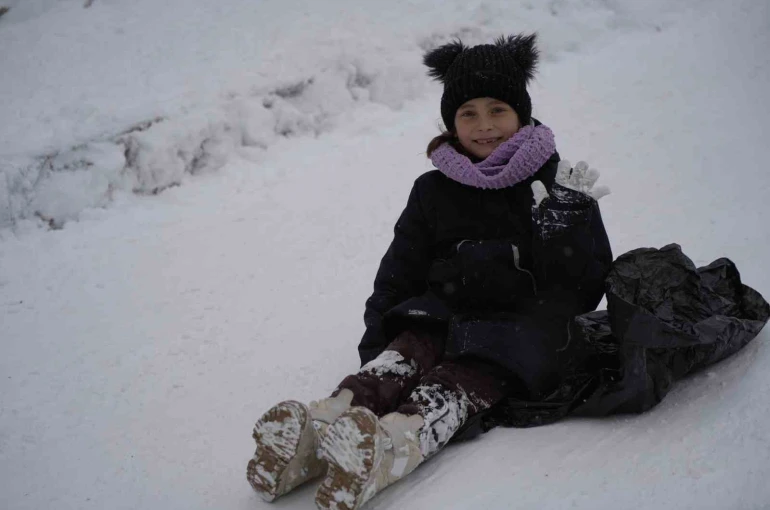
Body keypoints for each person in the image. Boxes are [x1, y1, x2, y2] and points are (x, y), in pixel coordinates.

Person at [246, 33, 613, 510]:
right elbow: (399, 270)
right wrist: (378, 340)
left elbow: (584, 290)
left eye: (497, 109)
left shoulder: (555, 187)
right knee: (403, 352)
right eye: (468, 114)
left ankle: (393, 446)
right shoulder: (433, 190)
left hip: (516, 332)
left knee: (456, 381)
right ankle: (318, 432)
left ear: (521, 113)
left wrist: (569, 230)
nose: (484, 126)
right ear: (451, 122)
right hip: (443, 313)